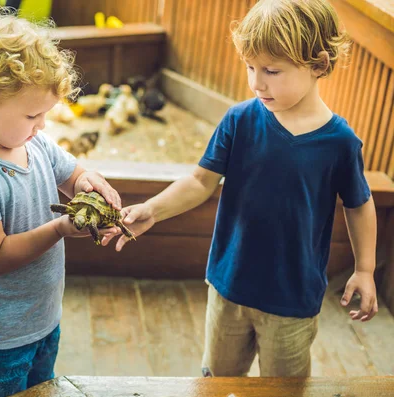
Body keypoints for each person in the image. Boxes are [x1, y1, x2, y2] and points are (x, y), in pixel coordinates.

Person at [102, 0, 378, 377]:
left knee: (284, 388)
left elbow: (359, 205)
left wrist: (364, 268)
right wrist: (152, 209)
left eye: (271, 70)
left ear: (319, 65)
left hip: (293, 299)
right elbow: (200, 181)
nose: (256, 82)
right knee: (218, 380)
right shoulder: (240, 120)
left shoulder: (340, 142)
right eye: (250, 67)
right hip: (228, 286)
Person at [0, 14, 122, 397]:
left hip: (42, 315)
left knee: (41, 389)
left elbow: (72, 173)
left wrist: (88, 180)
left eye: (45, 115)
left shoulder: (31, 142)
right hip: (0, 332)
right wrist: (59, 229)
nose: (41, 126)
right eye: (32, 115)